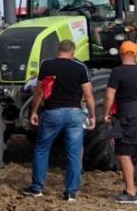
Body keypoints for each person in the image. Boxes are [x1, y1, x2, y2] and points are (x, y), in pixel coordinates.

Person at [22, 40, 96, 201]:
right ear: (73, 52)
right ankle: (71, 192)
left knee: (42, 149)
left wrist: (34, 111)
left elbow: (39, 91)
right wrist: (92, 115)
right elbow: (89, 95)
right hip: (75, 113)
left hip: (52, 112)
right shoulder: (80, 67)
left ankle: (37, 188)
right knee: (74, 153)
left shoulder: (47, 65)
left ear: (58, 50)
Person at [104, 41, 137, 204]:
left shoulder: (117, 72)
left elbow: (108, 96)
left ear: (121, 53)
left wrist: (105, 114)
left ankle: (130, 192)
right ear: (135, 53)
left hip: (128, 117)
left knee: (124, 153)